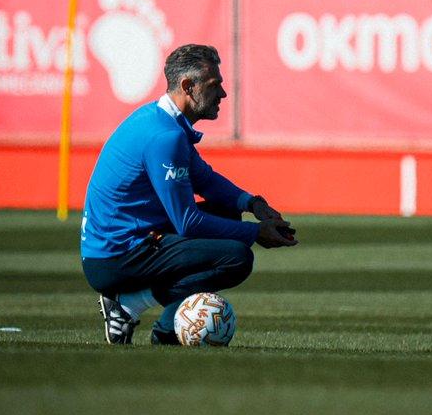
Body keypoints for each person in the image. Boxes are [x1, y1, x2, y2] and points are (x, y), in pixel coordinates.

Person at [81, 43, 297, 345]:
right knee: (236, 258)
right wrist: (255, 232)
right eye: (214, 85)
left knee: (228, 212)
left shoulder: (161, 121)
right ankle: (140, 313)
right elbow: (187, 222)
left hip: (126, 243)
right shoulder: (165, 137)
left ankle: (141, 309)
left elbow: (205, 180)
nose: (223, 94)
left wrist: (252, 204)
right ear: (187, 87)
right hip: (116, 258)